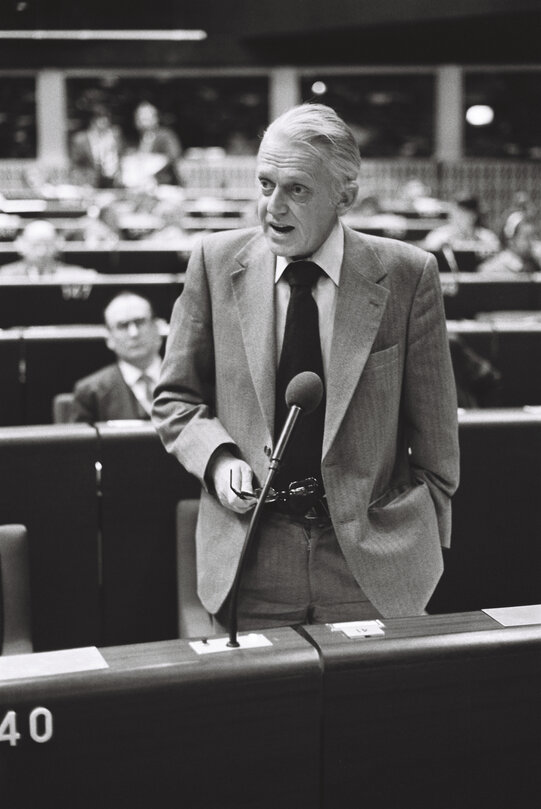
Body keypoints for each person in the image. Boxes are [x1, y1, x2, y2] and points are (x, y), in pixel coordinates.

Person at [152, 103, 459, 631]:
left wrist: (423, 534)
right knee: (267, 714)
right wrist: (219, 459)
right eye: (265, 183)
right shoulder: (213, 261)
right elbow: (175, 399)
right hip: (253, 553)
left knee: (372, 714)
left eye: (297, 189)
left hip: (372, 557)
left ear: (345, 196)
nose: (273, 207)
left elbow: (436, 440)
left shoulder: (408, 275)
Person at [71, 292, 163, 423]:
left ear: (157, 327)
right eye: (122, 326)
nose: (134, 333)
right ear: (109, 338)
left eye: (140, 322)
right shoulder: (90, 392)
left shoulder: (190, 378)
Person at [0, 219, 97, 282]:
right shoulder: (3, 276)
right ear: (21, 245)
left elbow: (98, 279)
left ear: (58, 245)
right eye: (35, 245)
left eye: (47, 245)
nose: (41, 251)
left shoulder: (77, 275)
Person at [422, 195, 500, 256]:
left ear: (474, 216)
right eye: (455, 213)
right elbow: (428, 253)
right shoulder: (439, 236)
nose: (457, 218)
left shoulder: (487, 237)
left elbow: (496, 254)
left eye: (463, 214)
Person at [130, 101, 183, 186]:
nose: (142, 119)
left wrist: (155, 162)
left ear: (155, 118)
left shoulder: (166, 135)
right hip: (142, 185)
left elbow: (174, 155)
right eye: (140, 116)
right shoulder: (138, 138)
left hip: (165, 185)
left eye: (146, 116)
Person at [70, 106, 124, 188]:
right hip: (89, 184)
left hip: (113, 182)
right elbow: (76, 166)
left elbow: (121, 159)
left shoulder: (114, 136)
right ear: (92, 121)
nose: (103, 122)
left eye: (106, 119)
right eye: (99, 119)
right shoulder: (80, 139)